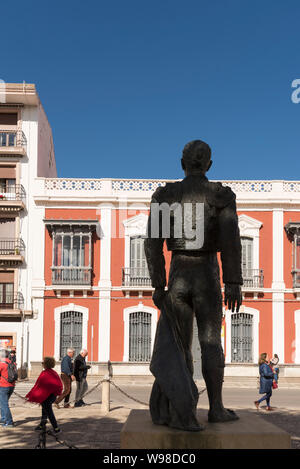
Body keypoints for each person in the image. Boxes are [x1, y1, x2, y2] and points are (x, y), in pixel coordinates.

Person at [144, 140, 243, 430]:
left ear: (182, 164)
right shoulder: (220, 196)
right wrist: (233, 281)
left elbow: (152, 244)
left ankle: (182, 409)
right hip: (206, 274)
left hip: (178, 275)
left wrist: (159, 285)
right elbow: (230, 242)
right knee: (211, 342)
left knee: (180, 344)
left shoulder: (167, 194)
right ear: (209, 165)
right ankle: (216, 408)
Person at [26, 357, 63, 433]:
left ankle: (56, 428)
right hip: (52, 396)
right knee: (44, 410)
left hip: (48, 396)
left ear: (46, 364)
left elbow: (38, 386)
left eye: (43, 363)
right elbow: (59, 385)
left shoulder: (45, 373)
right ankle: (42, 425)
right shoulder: (54, 373)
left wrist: (31, 394)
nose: (42, 364)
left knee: (49, 411)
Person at [0, 349, 17, 428]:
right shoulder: (12, 363)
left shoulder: (1, 364)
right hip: (11, 386)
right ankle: (3, 419)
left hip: (3, 386)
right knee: (3, 403)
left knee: (4, 404)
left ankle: (9, 422)